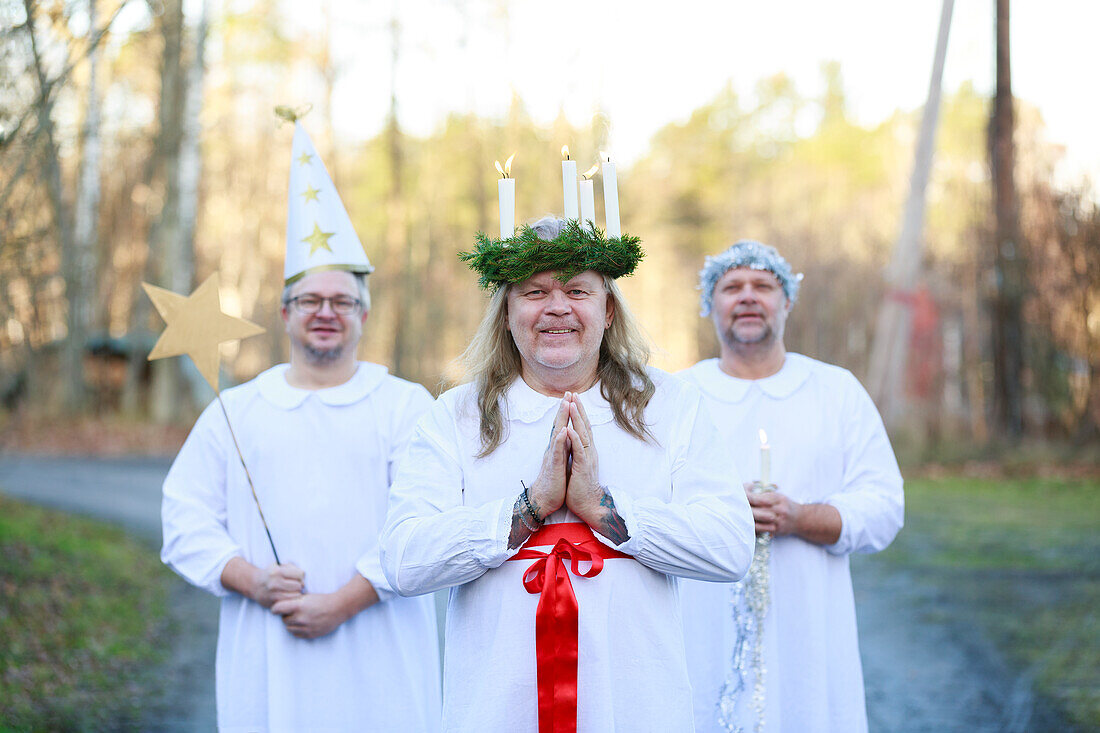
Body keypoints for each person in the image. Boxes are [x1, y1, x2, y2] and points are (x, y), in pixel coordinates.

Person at [380, 216, 756, 732]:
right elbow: (404, 561)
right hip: (497, 706)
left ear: (607, 310)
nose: (557, 306)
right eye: (535, 291)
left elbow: (731, 546)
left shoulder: (671, 405)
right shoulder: (455, 415)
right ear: (507, 313)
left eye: (577, 289)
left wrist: (605, 509)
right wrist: (528, 510)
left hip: (636, 703)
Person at [160, 119, 441, 731]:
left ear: (363, 315)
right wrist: (254, 581)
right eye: (310, 300)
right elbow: (184, 518)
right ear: (285, 313)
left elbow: (425, 522)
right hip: (268, 654)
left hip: (381, 656)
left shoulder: (405, 405)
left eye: (342, 301)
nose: (326, 313)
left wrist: (341, 604)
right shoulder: (236, 410)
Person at [678, 240, 904, 733]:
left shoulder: (835, 390)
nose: (748, 296)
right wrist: (721, 512)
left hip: (812, 635)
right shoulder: (678, 398)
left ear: (787, 301)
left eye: (763, 285)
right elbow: (646, 511)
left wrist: (800, 517)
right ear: (709, 303)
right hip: (705, 630)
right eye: (731, 287)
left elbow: (885, 505)